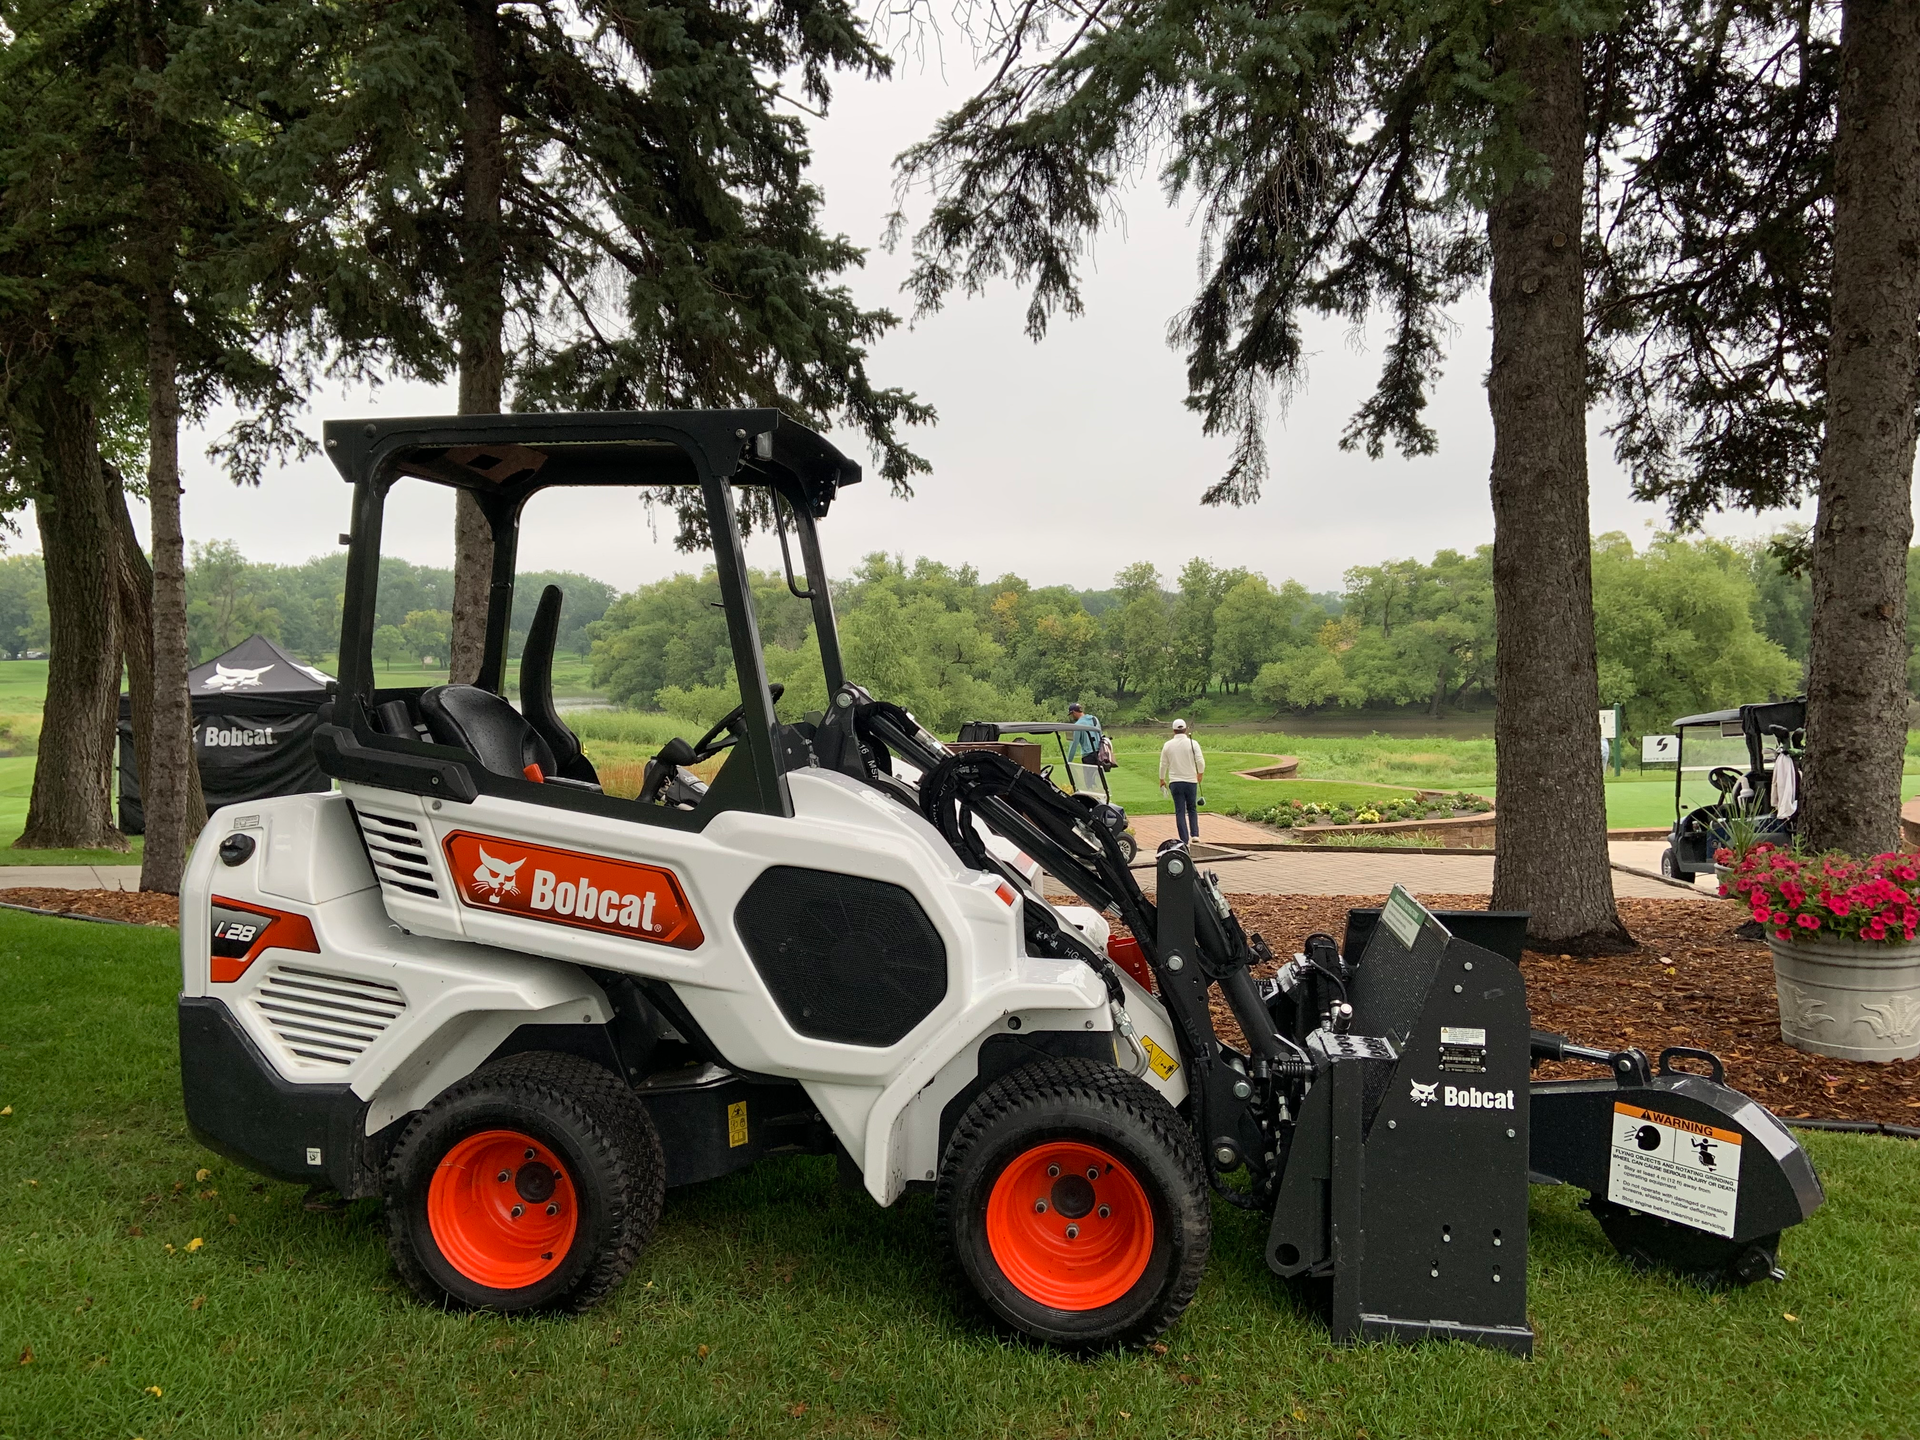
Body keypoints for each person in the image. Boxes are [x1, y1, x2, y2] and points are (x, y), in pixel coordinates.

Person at [1159, 718, 1205, 845]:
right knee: (1192, 808)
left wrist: (1162, 778)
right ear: (1185, 729)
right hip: (1191, 781)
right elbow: (1200, 761)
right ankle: (1195, 834)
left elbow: (1163, 764)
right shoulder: (1192, 743)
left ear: (1173, 730)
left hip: (1175, 782)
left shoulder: (1167, 745)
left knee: (1180, 810)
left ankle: (1184, 839)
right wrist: (1200, 773)